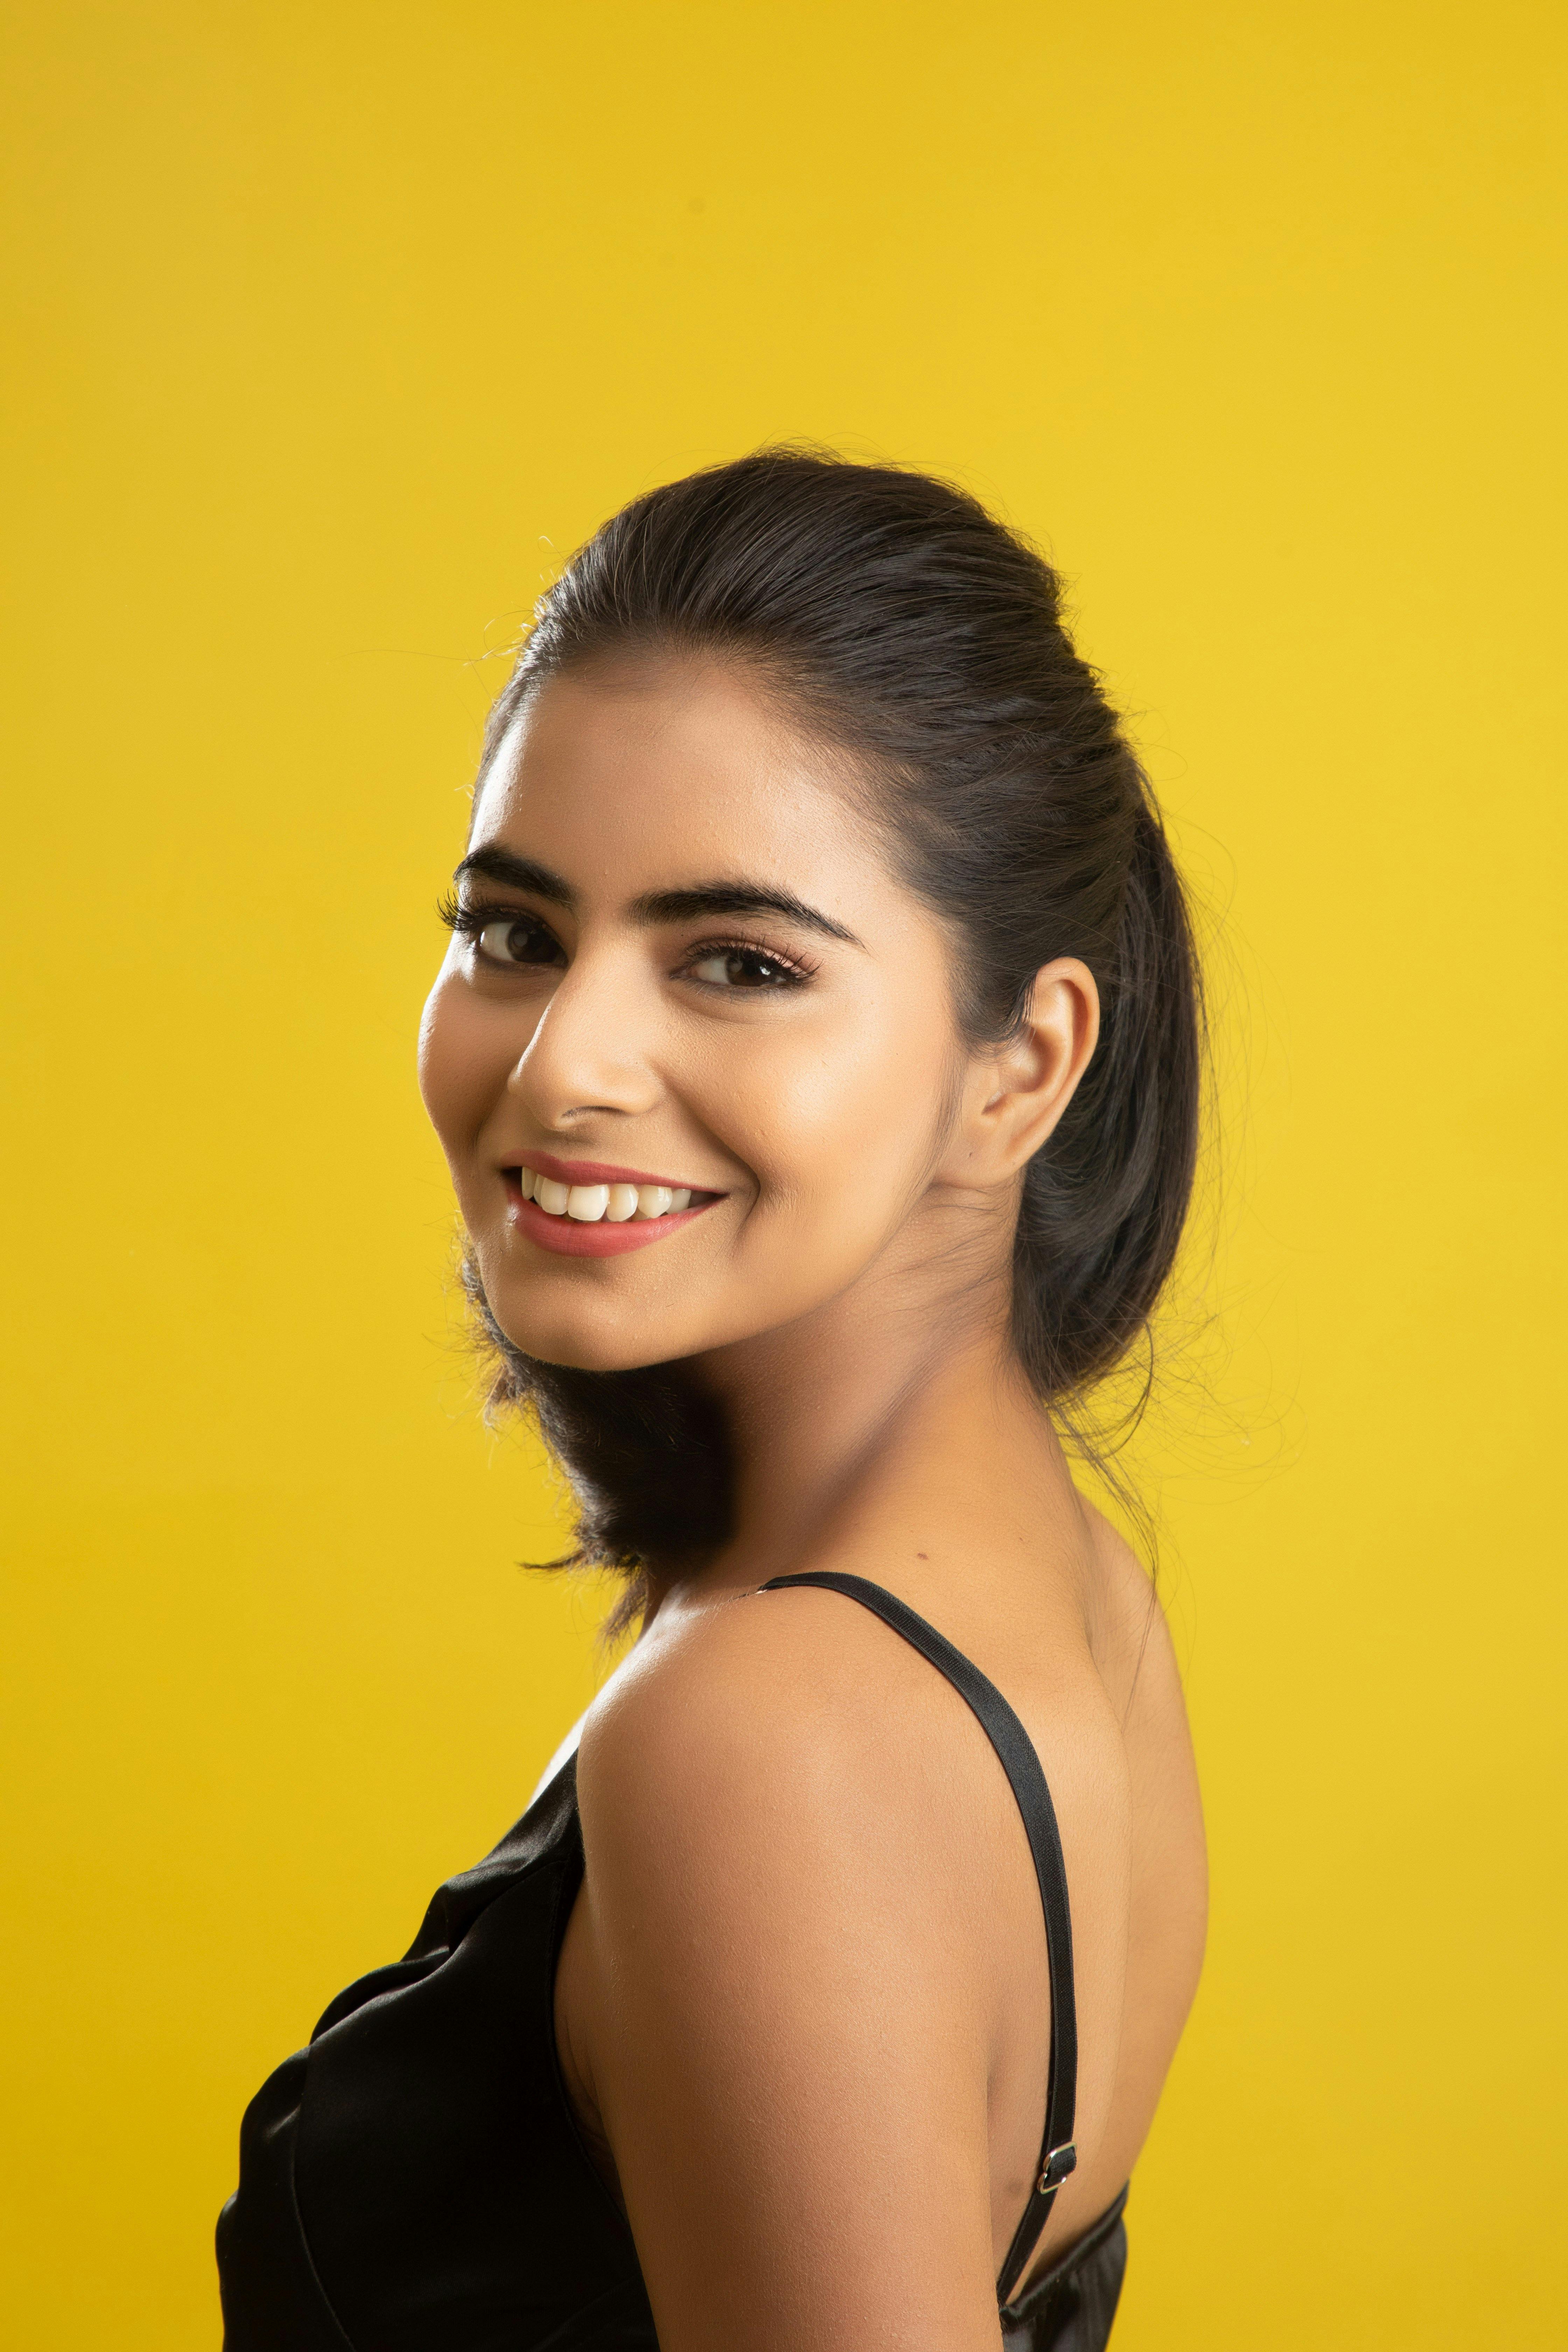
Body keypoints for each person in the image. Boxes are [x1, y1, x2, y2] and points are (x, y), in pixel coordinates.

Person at [217, 451, 1208, 2352]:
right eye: (512, 932)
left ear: (1022, 1069)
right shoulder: (1073, 1587)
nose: (566, 1060)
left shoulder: (767, 1740)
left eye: (739, 962)